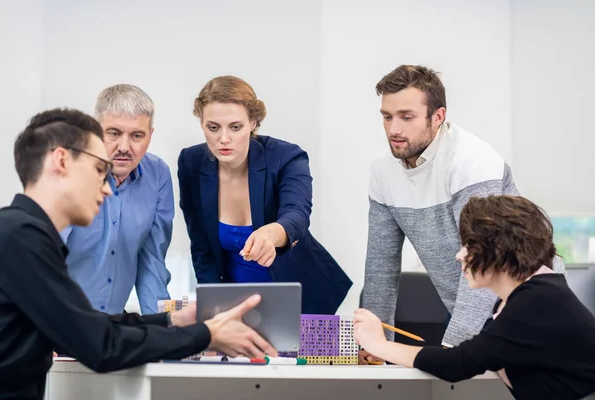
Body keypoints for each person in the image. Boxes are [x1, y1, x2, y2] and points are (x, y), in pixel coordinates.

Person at [0, 108, 277, 400]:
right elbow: (100, 345)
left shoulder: (18, 235)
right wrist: (206, 335)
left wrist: (174, 320)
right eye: (98, 170)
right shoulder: (21, 239)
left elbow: (89, 325)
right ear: (62, 161)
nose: (106, 189)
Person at [360, 65, 565, 361]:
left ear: (438, 116)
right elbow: (381, 266)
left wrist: (453, 352)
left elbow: (487, 260)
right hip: (466, 310)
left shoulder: (471, 161)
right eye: (387, 116)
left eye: (407, 117)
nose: (394, 129)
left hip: (531, 308)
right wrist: (376, 344)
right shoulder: (381, 171)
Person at [354, 195, 595, 400]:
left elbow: (458, 363)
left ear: (497, 249)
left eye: (468, 245)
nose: (459, 255)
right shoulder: (529, 296)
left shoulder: (537, 301)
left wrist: (380, 345)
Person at [178, 76, 352, 314]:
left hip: (301, 297)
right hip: (236, 303)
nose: (224, 139)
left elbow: (297, 215)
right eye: (213, 127)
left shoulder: (286, 156)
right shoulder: (191, 163)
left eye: (235, 127)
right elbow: (201, 247)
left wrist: (271, 235)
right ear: (202, 124)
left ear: (253, 123)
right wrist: (215, 309)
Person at [61, 84, 173, 314]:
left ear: (150, 135)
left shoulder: (158, 175)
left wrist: (167, 334)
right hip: (59, 324)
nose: (124, 147)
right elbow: (42, 263)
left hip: (111, 330)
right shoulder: (69, 173)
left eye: (137, 135)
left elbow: (152, 263)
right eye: (114, 133)